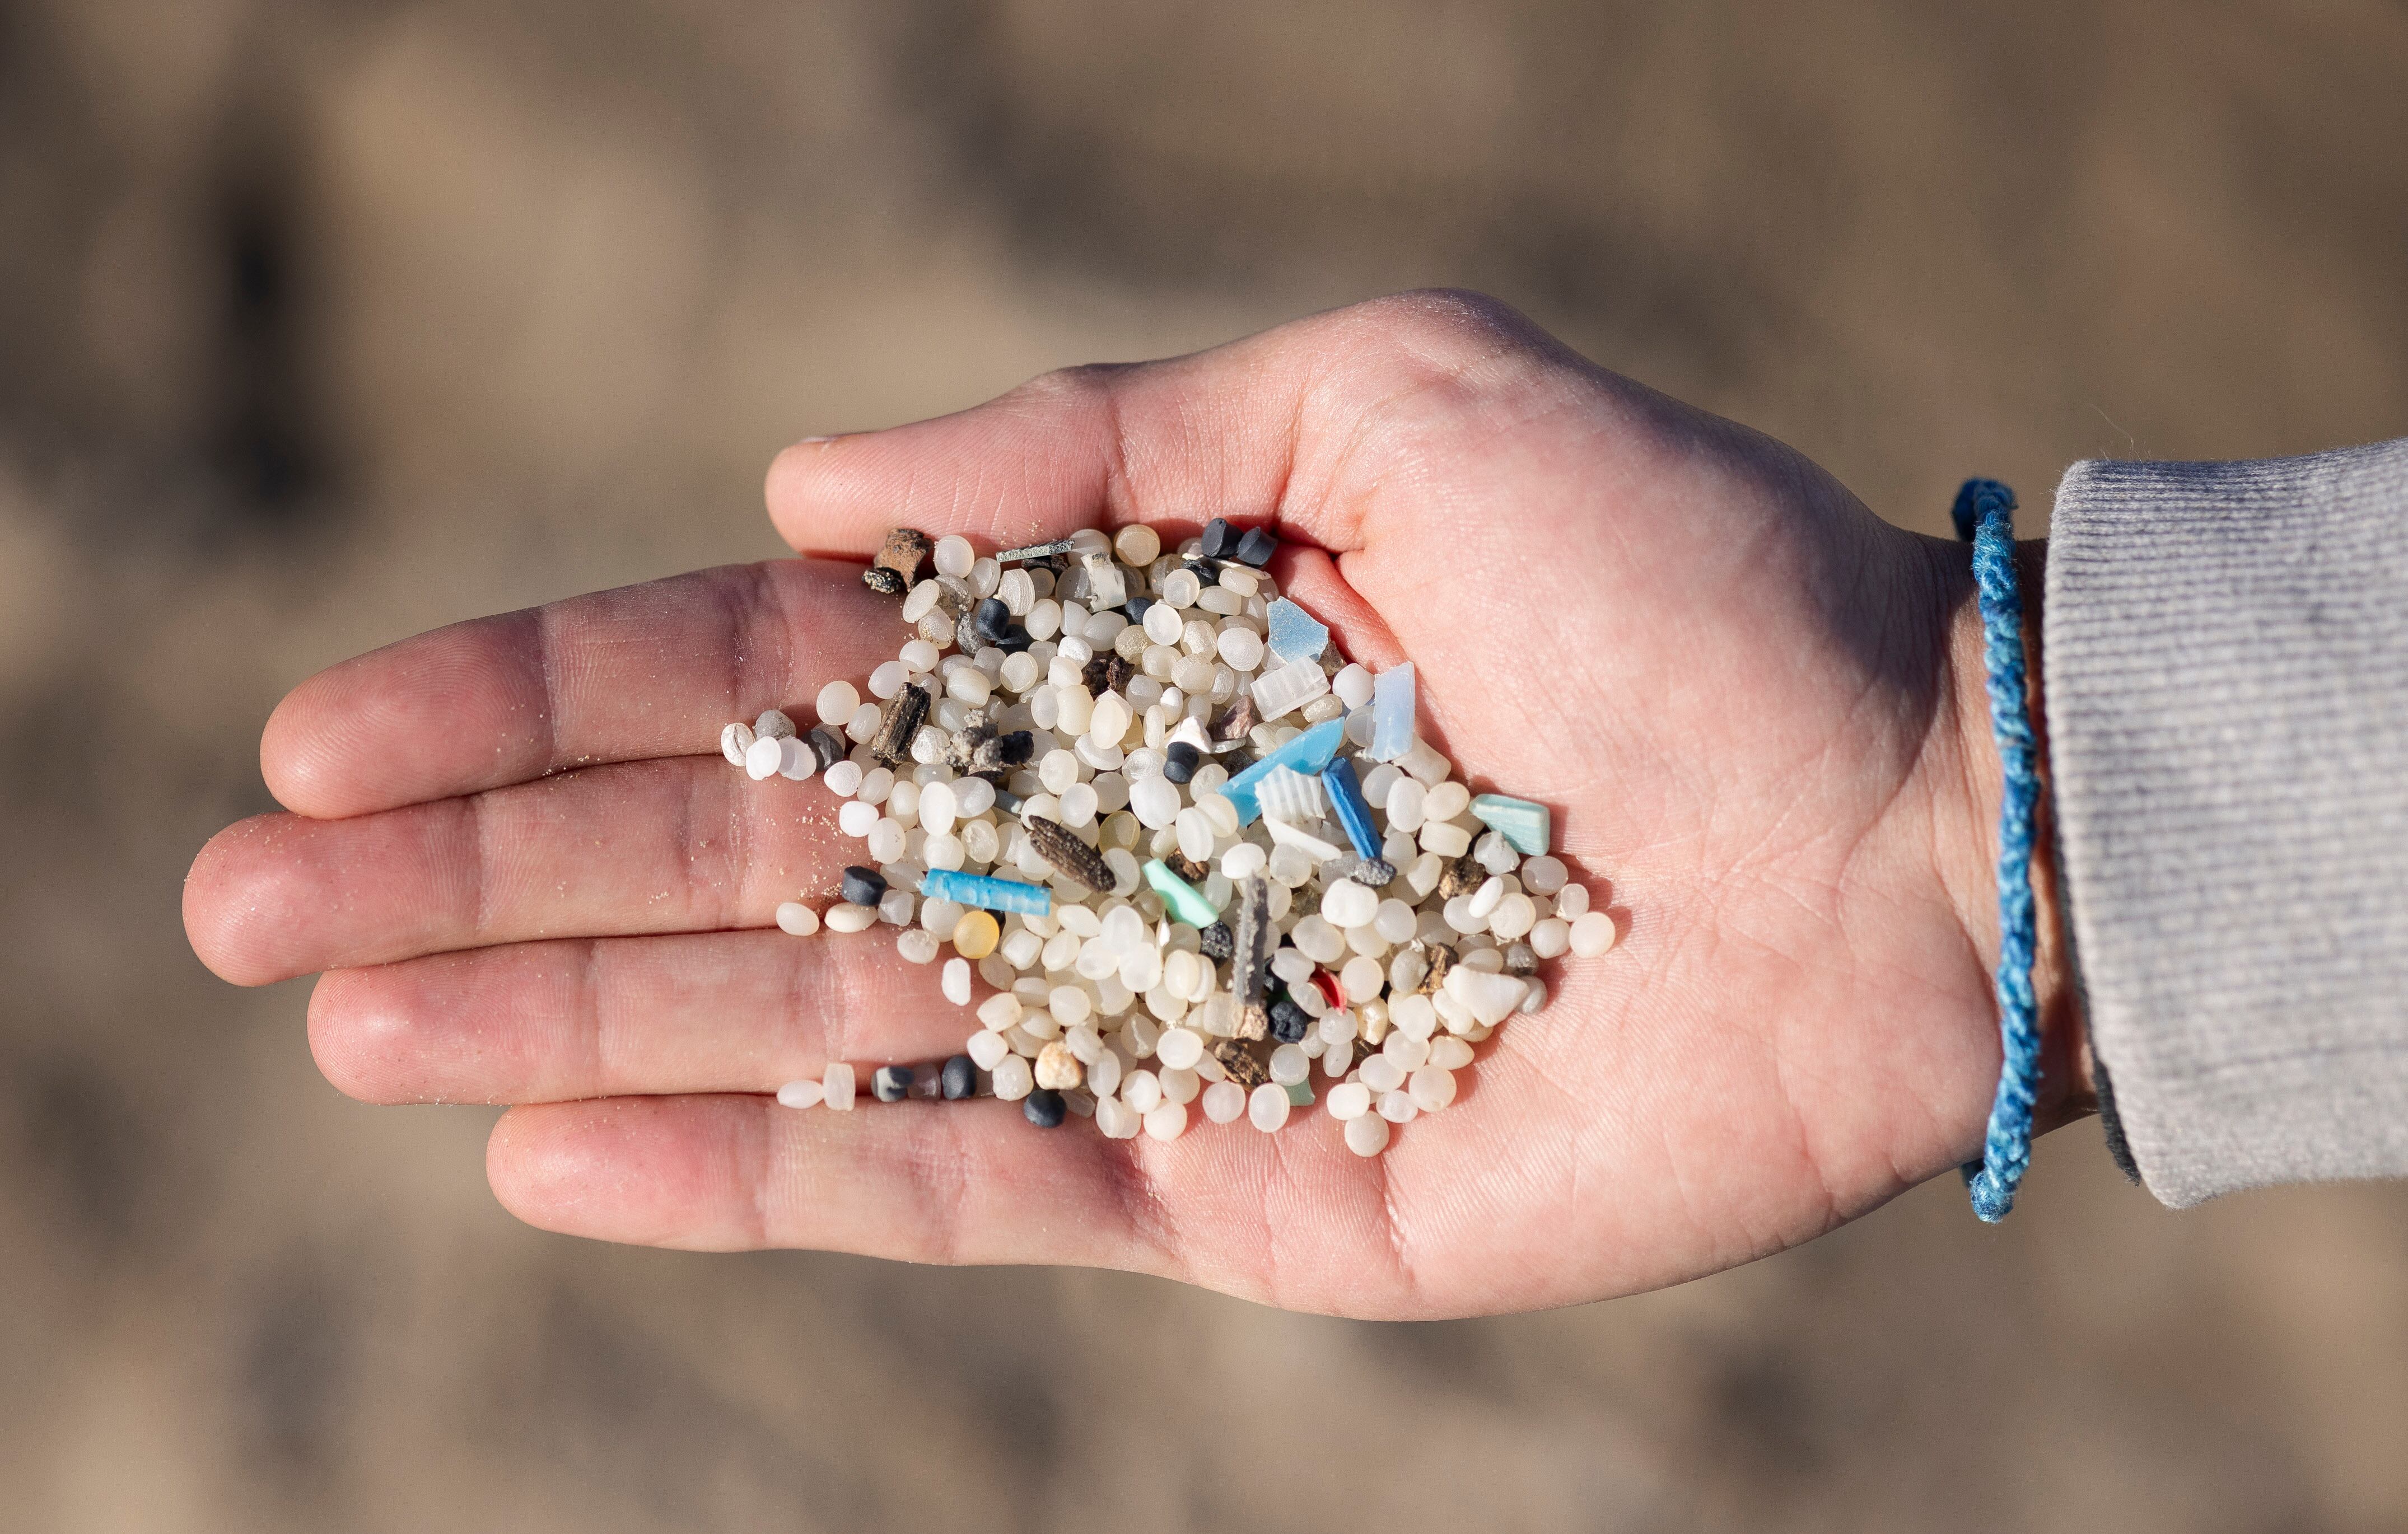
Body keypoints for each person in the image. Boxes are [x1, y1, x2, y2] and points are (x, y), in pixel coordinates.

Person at [181, 291, 2408, 1317]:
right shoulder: (1157, 870)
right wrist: (1982, 768)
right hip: (1212, 896)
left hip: (1269, 905)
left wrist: (1962, 780)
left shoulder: (1321, 891)